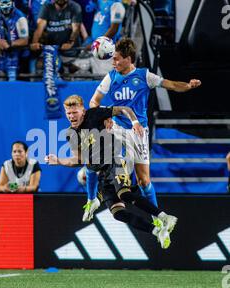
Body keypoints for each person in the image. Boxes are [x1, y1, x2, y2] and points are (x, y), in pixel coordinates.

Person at [84, 37, 202, 221]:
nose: (113, 62)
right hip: (117, 129)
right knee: (105, 162)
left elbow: (170, 84)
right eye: (112, 58)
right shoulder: (111, 77)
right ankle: (94, 192)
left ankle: (159, 220)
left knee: (144, 181)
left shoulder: (145, 76)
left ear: (128, 58)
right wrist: (106, 116)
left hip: (139, 133)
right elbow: (94, 101)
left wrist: (187, 85)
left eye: (116, 59)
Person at [45, 95, 178, 249]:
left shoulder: (95, 114)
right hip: (101, 174)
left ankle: (165, 217)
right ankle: (157, 231)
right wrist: (59, 161)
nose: (71, 116)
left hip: (116, 160)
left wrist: (134, 122)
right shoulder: (71, 134)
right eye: (68, 113)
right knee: (118, 213)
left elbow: (124, 109)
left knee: (125, 194)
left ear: (83, 110)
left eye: (75, 112)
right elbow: (79, 159)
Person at [0, 0, 29, 81]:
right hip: (1, 54)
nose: (5, 10)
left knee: (13, 80)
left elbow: (25, 40)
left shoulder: (20, 17)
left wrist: (9, 44)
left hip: (17, 54)